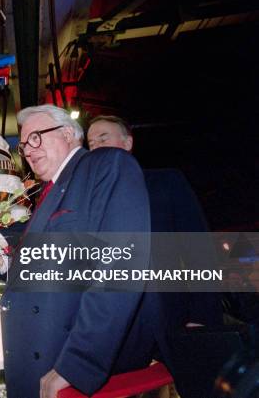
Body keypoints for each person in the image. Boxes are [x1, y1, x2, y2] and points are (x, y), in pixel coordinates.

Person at [0, 105, 154, 397]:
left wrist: (78, 364)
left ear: (68, 133)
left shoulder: (105, 165)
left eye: (36, 137)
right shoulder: (52, 191)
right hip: (35, 360)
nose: (29, 151)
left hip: (64, 363)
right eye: (23, 144)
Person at [88, 115, 223, 398]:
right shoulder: (88, 200)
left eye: (104, 138)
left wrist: (201, 316)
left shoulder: (166, 182)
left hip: (170, 320)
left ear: (127, 143)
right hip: (113, 332)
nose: (96, 146)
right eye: (90, 142)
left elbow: (199, 251)